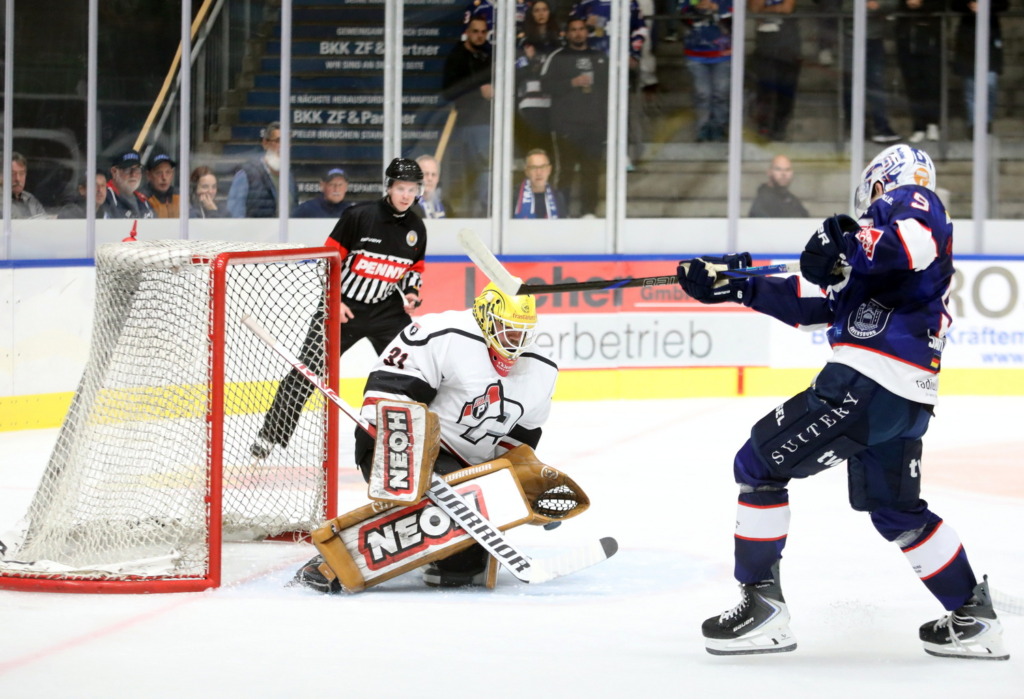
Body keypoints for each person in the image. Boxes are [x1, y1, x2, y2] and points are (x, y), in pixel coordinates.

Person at [678, 144, 1008, 661]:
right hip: (906, 399)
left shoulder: (912, 201)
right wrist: (736, 285)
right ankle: (973, 618)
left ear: (881, 183)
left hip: (867, 382)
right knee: (896, 510)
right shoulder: (878, 260)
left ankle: (762, 610)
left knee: (757, 465)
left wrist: (851, 241)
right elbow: (813, 303)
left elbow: (910, 243)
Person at [294, 281, 557, 592]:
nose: (515, 339)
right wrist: (410, 459)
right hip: (397, 442)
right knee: (445, 508)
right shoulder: (442, 333)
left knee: (463, 567)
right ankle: (334, 560)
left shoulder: (542, 368)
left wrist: (519, 488)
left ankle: (439, 548)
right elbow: (388, 393)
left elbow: (520, 442)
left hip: (467, 468)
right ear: (485, 317)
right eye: (507, 328)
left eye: (523, 332)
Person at [251, 158, 427, 458]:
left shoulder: (416, 227)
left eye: (412, 189)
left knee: (416, 366)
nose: (406, 195)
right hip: (341, 305)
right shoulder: (359, 216)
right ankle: (270, 436)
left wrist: (411, 292)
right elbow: (327, 260)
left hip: (385, 310)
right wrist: (335, 300)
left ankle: (421, 435)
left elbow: (414, 268)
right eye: (401, 188)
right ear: (389, 187)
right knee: (307, 371)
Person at [540, 17, 609, 217]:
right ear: (567, 33)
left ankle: (589, 213)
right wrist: (571, 82)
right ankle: (561, 214)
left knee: (592, 171)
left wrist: (605, 122)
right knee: (565, 171)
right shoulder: (558, 57)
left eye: (581, 29)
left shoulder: (599, 57)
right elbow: (545, 85)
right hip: (566, 125)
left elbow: (610, 90)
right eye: (573, 30)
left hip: (594, 125)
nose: (578, 33)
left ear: (587, 32)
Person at [442, 16, 493, 217]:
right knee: (471, 173)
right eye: (475, 31)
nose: (480, 36)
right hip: (466, 122)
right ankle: (468, 215)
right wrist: (478, 91)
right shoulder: (457, 57)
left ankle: (481, 214)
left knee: (483, 172)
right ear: (467, 32)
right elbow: (449, 91)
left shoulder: (488, 55)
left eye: (483, 32)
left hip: (487, 122)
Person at [841, 0, 900, 144]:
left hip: (874, 39)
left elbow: (893, 3)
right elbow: (846, 8)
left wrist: (879, 5)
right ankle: (856, 127)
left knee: (876, 83)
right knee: (851, 84)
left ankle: (881, 127)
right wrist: (868, 7)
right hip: (852, 37)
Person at [952, 0, 1008, 137]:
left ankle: (986, 121)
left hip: (990, 32)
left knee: (990, 83)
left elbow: (1004, 4)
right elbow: (954, 4)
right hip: (968, 33)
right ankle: (974, 125)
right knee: (970, 86)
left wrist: (985, 6)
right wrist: (970, 5)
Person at [679, 0, 733, 143]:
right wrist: (696, 9)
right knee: (702, 93)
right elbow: (682, 15)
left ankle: (719, 128)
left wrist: (716, 8)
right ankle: (702, 128)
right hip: (695, 53)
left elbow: (736, 20)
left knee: (721, 92)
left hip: (723, 54)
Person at [749, 0, 802, 142]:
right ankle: (764, 125)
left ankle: (780, 127)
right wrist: (774, 8)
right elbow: (754, 8)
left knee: (786, 90)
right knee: (765, 88)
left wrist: (765, 9)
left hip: (789, 46)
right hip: (765, 46)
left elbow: (787, 8)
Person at [515, 0, 562, 158]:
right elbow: (518, 70)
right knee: (535, 145)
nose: (541, 13)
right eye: (537, 10)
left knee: (553, 147)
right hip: (532, 101)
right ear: (531, 14)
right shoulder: (524, 41)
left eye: (544, 9)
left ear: (550, 12)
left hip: (555, 99)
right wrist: (528, 60)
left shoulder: (559, 41)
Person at [226, 121, 298, 217]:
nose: (283, 147)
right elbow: (235, 214)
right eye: (278, 141)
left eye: (286, 142)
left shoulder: (289, 177)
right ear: (265, 143)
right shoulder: (247, 174)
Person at [895, 0, 943, 143]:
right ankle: (919, 126)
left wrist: (921, 4)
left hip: (930, 44)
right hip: (908, 45)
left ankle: (933, 124)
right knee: (913, 87)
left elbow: (942, 5)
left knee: (932, 85)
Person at [100, 149, 155, 220]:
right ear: (114, 171)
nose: (133, 174)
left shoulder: (144, 201)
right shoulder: (103, 196)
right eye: (127, 169)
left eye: (137, 169)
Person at [513, 148, 566, 218]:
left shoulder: (558, 197)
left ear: (549, 170)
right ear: (527, 171)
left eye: (543, 167)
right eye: (534, 167)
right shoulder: (513, 196)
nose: (539, 173)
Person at [9, 152, 47, 219]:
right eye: (12, 174)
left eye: (21, 173)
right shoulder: (2, 202)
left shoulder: (30, 199)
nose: (18, 179)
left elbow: (45, 222)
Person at [142, 152, 180, 218]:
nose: (164, 178)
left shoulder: (179, 195)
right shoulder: (142, 198)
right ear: (148, 175)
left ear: (172, 174)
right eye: (158, 173)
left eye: (168, 172)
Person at [413, 154, 451, 219]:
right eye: (425, 174)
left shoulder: (445, 206)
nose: (430, 178)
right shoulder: (407, 206)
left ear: (438, 179)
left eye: (433, 175)